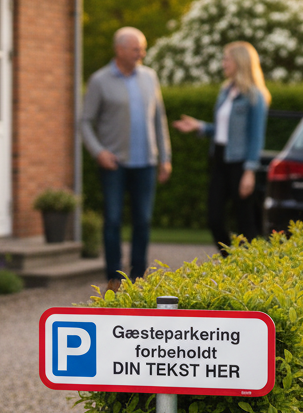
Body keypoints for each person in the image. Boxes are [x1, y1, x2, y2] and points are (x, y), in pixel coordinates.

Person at [81, 27, 172, 288]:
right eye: (136, 49)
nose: (141, 53)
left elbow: (159, 119)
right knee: (112, 220)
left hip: (146, 163)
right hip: (115, 164)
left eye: (142, 48)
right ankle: (114, 277)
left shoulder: (150, 77)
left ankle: (138, 276)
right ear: (119, 50)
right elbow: (85, 122)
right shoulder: (100, 81)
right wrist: (99, 152)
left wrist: (165, 157)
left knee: (143, 220)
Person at [172, 41, 270, 255]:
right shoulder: (226, 91)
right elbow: (222, 129)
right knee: (214, 218)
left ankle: (254, 269)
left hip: (240, 163)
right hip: (219, 160)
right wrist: (200, 126)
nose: (223, 63)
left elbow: (255, 136)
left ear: (240, 62)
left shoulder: (255, 96)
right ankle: (231, 261)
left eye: (227, 59)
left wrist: (249, 171)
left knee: (245, 222)